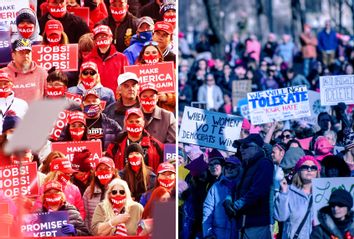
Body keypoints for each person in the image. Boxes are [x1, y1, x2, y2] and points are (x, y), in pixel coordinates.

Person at [224, 134, 274, 239]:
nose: (241, 149)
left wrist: (235, 206)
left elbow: (257, 191)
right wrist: (228, 200)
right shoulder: (246, 165)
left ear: (257, 148)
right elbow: (235, 187)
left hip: (257, 224)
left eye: (245, 146)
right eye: (240, 147)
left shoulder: (264, 163)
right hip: (243, 223)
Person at [274, 155, 321, 239]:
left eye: (313, 167)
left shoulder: (322, 194)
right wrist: (283, 193)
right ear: (298, 171)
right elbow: (280, 217)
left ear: (317, 172)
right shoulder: (288, 191)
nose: (309, 170)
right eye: (305, 167)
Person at [106, 107, 164, 172]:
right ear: (125, 123)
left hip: (147, 181)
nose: (134, 124)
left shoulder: (157, 146)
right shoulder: (114, 145)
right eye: (131, 121)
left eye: (137, 121)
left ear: (143, 123)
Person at [203, 156, 242, 239]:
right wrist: (208, 234)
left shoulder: (243, 187)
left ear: (239, 168)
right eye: (227, 167)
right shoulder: (216, 187)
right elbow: (207, 211)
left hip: (237, 234)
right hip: (218, 235)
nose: (229, 170)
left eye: (233, 167)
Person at [85, 25, 129, 93]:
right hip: (94, 98)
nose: (102, 39)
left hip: (116, 98)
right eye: (98, 37)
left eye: (104, 36)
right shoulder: (88, 59)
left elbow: (126, 79)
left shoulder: (122, 58)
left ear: (111, 38)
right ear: (94, 40)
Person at [2, 39, 47, 103]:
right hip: (11, 112)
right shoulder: (3, 73)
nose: (25, 56)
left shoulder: (42, 72)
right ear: (13, 55)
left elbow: (48, 97)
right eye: (21, 53)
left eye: (28, 52)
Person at [83, 156, 119, 231]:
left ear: (113, 171)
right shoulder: (89, 191)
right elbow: (86, 216)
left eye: (107, 168)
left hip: (115, 233)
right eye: (100, 169)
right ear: (95, 172)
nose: (103, 171)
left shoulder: (121, 189)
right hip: (95, 233)